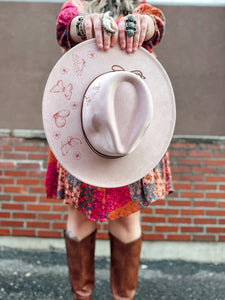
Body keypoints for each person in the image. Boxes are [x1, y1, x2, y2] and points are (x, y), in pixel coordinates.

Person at [45, 0, 173, 299]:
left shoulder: (141, 8)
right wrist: (84, 25)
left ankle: (122, 297)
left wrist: (146, 26)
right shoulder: (76, 6)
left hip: (131, 131)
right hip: (85, 130)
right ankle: (82, 294)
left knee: (127, 217)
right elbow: (68, 24)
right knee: (81, 215)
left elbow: (154, 23)